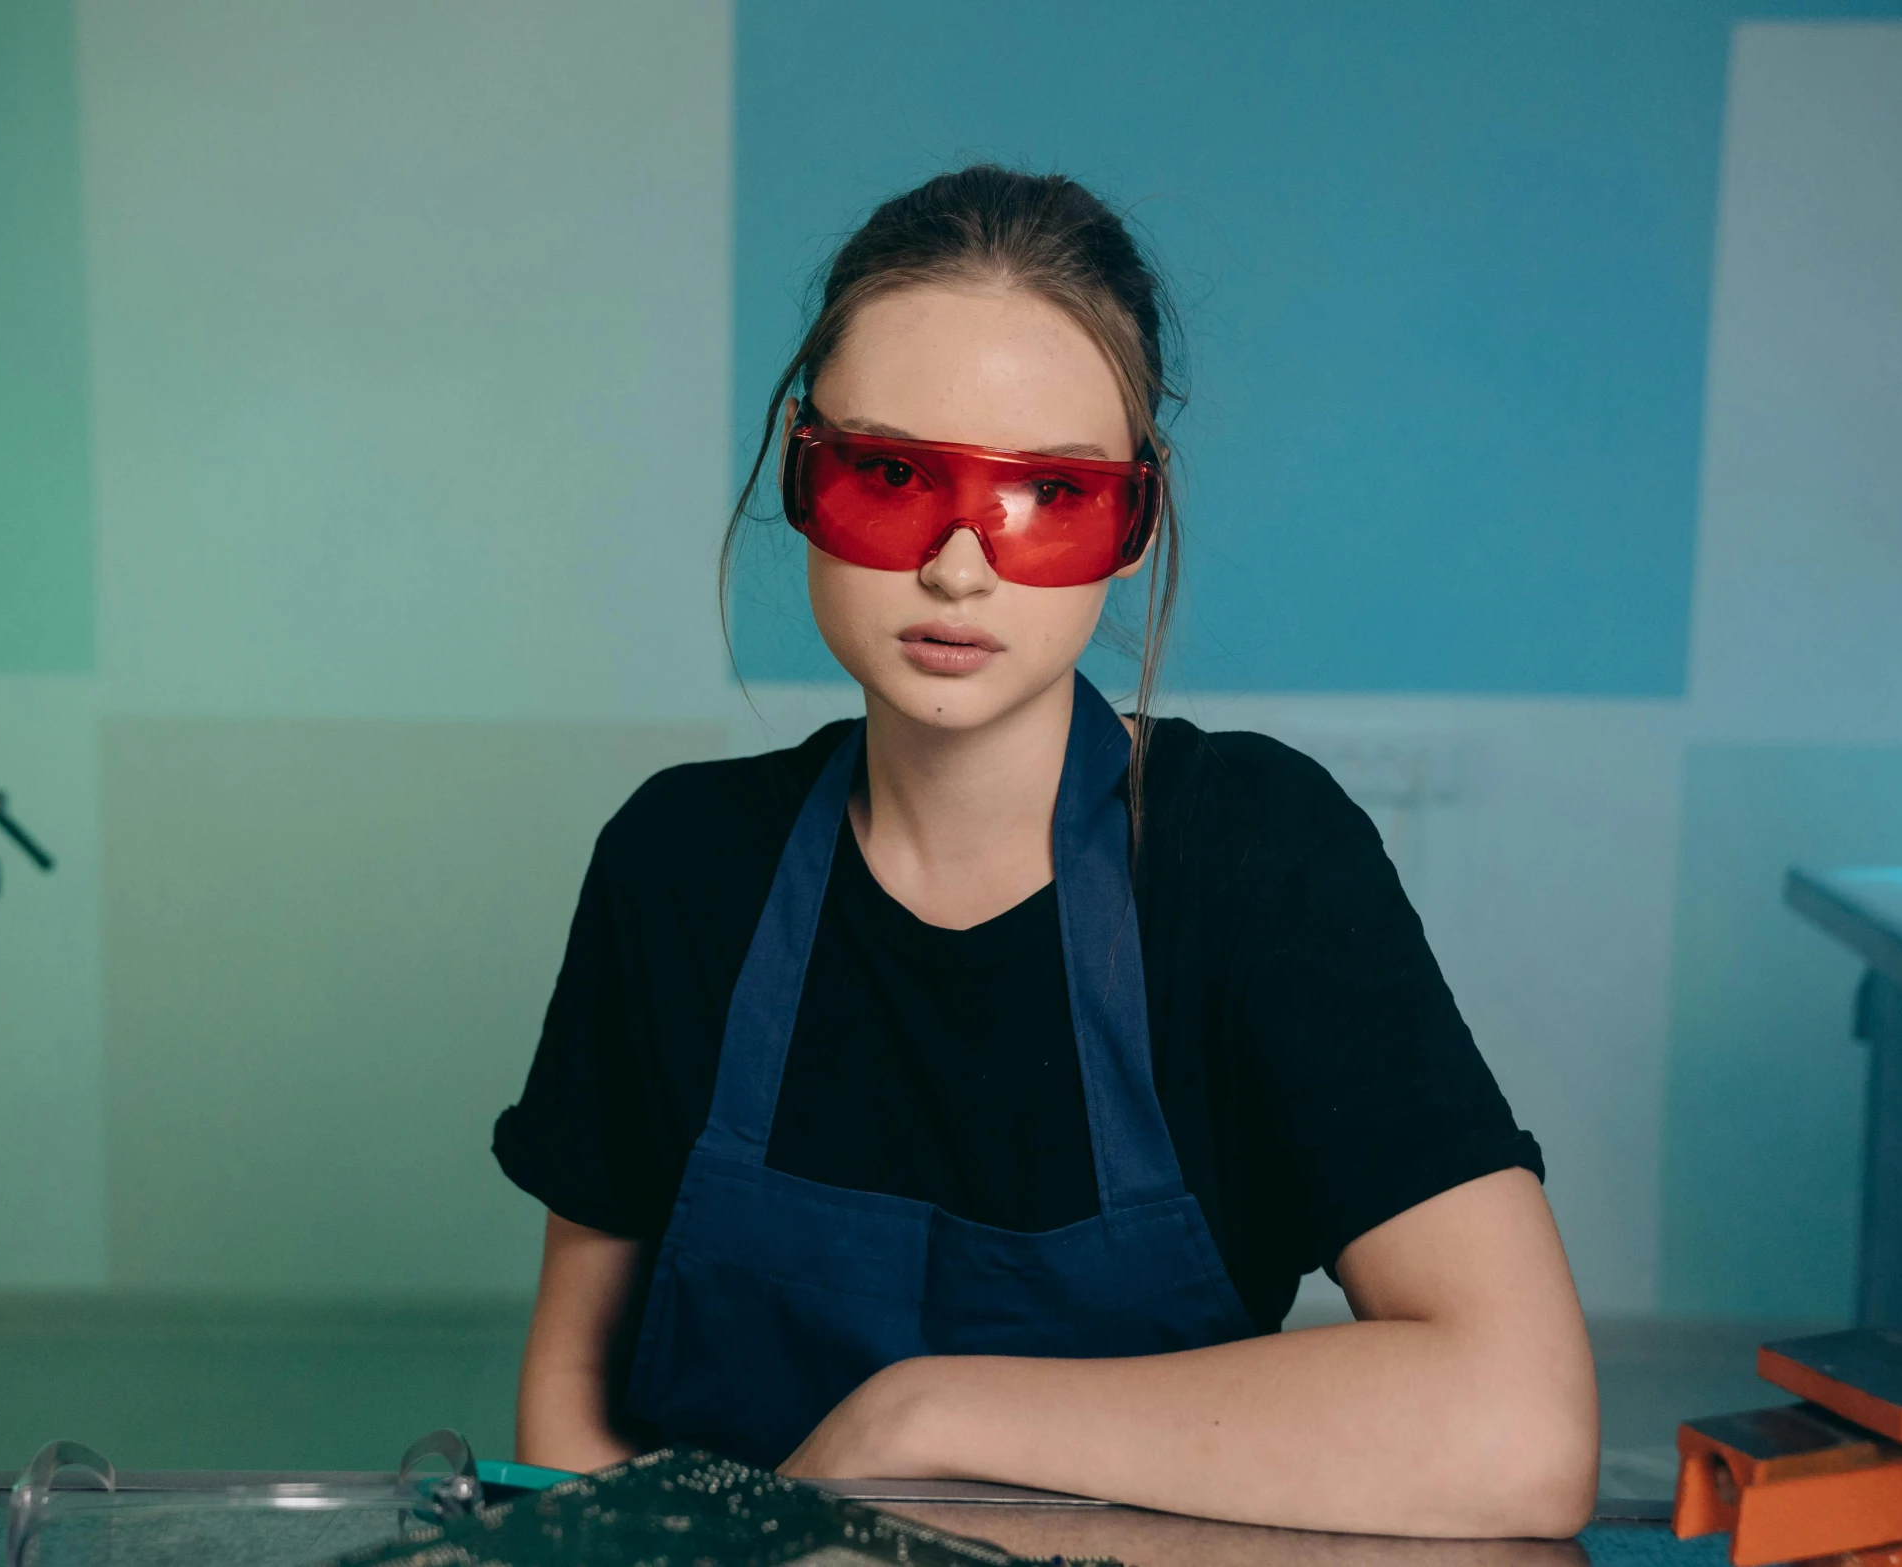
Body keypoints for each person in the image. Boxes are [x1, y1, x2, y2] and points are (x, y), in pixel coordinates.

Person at [493, 165, 1598, 1537]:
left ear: (1132, 521)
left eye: (1048, 496)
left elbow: (1517, 1425)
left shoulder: (1250, 860)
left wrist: (923, 1418)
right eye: (893, 475)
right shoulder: (676, 863)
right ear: (798, 464)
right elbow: (569, 1419)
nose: (961, 567)